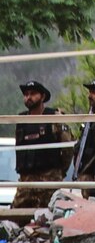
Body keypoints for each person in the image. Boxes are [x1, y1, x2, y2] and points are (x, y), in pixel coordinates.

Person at [13, 81, 72, 209]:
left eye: (33, 94)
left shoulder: (54, 117)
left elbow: (68, 147)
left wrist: (60, 172)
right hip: (26, 182)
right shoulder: (21, 120)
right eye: (26, 94)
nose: (28, 97)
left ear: (43, 97)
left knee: (50, 218)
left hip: (49, 180)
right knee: (14, 219)